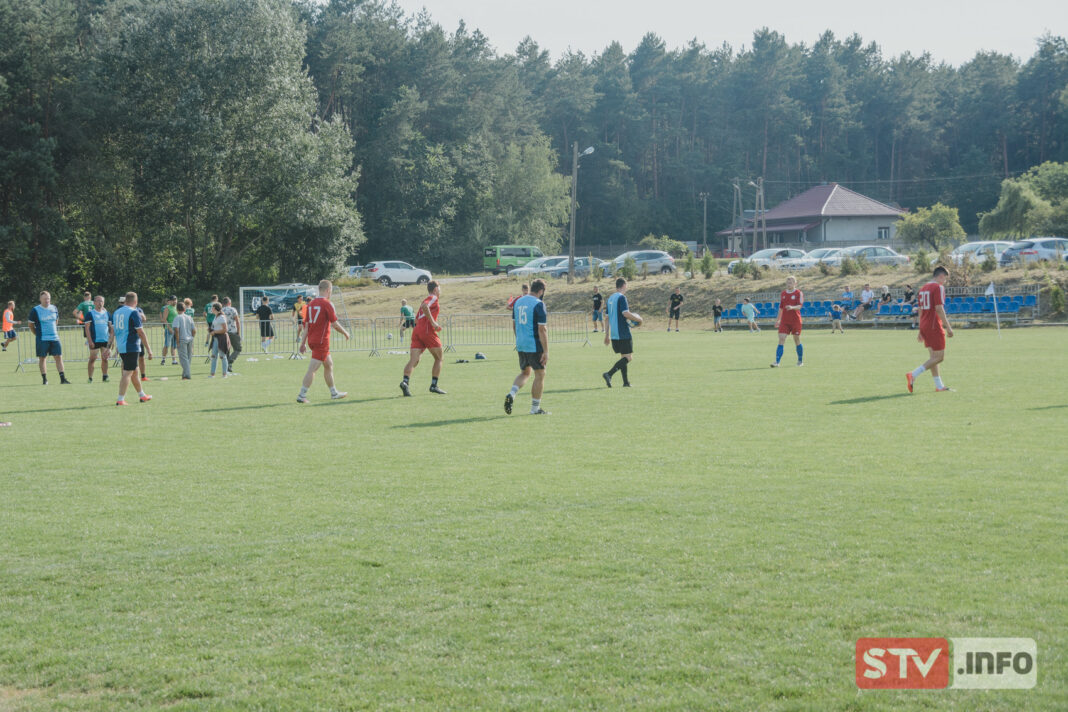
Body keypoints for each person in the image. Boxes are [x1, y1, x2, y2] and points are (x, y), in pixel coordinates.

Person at [297, 279, 350, 402]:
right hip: (321, 342)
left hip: (312, 340)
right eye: (330, 291)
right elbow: (335, 324)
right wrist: (346, 332)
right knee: (312, 369)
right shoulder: (327, 304)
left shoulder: (309, 305)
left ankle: (333, 392)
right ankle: (302, 395)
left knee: (329, 364)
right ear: (328, 290)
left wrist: (303, 343)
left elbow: (306, 327)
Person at [504, 278, 550, 415]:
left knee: (525, 372)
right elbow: (542, 329)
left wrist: (519, 340)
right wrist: (546, 351)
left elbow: (514, 325)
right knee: (540, 374)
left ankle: (512, 394)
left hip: (521, 343)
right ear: (541, 291)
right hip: (534, 344)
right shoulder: (539, 304)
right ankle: (535, 409)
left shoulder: (518, 302)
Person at [907, 266, 955, 393]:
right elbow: (939, 308)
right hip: (934, 325)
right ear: (941, 276)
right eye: (945, 278)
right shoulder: (938, 287)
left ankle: (939, 386)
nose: (944, 281)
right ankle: (913, 374)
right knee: (939, 357)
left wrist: (920, 328)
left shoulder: (923, 288)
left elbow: (921, 309)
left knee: (933, 357)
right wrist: (948, 327)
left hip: (925, 324)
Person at [400, 281, 446, 396]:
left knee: (414, 360)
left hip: (417, 330)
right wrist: (433, 323)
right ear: (435, 289)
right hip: (427, 331)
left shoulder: (425, 300)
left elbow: (416, 320)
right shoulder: (433, 297)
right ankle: (434, 385)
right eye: (439, 288)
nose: (440, 291)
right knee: (439, 358)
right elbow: (425, 306)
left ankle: (405, 382)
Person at [112, 291, 153, 404]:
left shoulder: (116, 312)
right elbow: (140, 332)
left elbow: (113, 331)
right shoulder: (134, 312)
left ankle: (142, 395)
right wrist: (149, 349)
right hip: (131, 346)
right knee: (127, 373)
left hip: (121, 346)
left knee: (135, 371)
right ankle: (120, 399)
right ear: (136, 302)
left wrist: (109, 346)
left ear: (125, 300)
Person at [602, 277, 642, 387]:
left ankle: (625, 382)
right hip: (623, 332)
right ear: (624, 286)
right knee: (628, 358)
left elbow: (606, 318)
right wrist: (638, 319)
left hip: (614, 334)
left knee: (623, 356)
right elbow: (625, 313)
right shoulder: (621, 298)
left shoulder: (610, 299)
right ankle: (609, 374)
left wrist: (607, 335)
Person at [28, 291, 70, 385]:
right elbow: (30, 325)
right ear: (40, 299)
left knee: (59, 357)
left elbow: (56, 320)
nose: (47, 300)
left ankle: (63, 379)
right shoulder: (35, 310)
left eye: (48, 299)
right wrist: (37, 334)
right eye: (45, 299)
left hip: (55, 337)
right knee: (42, 358)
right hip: (42, 338)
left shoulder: (54, 308)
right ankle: (45, 379)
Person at [771, 275, 803, 367]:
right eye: (788, 282)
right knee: (781, 339)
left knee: (796, 340)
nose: (789, 284)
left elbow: (800, 306)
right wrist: (778, 320)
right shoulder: (783, 293)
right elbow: (781, 308)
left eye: (791, 282)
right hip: (784, 321)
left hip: (795, 321)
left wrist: (792, 307)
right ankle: (777, 362)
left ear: (795, 283)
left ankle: (800, 360)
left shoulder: (798, 293)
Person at [84, 295, 112, 383]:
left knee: (105, 359)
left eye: (102, 301)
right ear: (94, 303)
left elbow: (111, 328)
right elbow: (87, 328)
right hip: (94, 340)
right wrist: (90, 340)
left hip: (105, 340)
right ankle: (90, 378)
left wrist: (111, 341)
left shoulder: (107, 314)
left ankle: (105, 376)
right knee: (92, 359)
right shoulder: (90, 313)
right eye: (98, 301)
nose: (100, 303)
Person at [171, 302, 196, 380]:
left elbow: (176, 330)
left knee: (183, 359)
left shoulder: (177, 317)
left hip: (182, 339)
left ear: (177, 309)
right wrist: (192, 337)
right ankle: (184, 375)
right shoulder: (189, 317)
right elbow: (194, 330)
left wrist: (177, 341)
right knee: (188, 358)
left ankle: (187, 375)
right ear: (185, 309)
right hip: (190, 339)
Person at [209, 303, 231, 378]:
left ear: (215, 308)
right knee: (213, 356)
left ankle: (224, 374)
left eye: (212, 308)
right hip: (216, 338)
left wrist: (214, 332)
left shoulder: (221, 317)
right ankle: (212, 374)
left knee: (222, 356)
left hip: (221, 338)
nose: (211, 309)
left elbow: (225, 329)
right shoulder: (216, 316)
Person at [221, 296, 241, 370]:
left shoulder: (221, 310)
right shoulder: (233, 309)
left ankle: (227, 366)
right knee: (238, 349)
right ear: (229, 303)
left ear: (223, 303)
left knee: (227, 350)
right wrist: (238, 332)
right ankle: (229, 361)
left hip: (223, 332)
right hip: (233, 331)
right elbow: (237, 321)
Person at [159, 295, 179, 365]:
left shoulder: (177, 308)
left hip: (176, 329)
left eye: (176, 299)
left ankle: (174, 360)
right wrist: (169, 328)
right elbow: (164, 319)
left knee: (174, 346)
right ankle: (163, 359)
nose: (175, 301)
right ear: (170, 301)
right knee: (167, 345)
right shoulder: (167, 308)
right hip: (169, 329)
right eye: (173, 300)